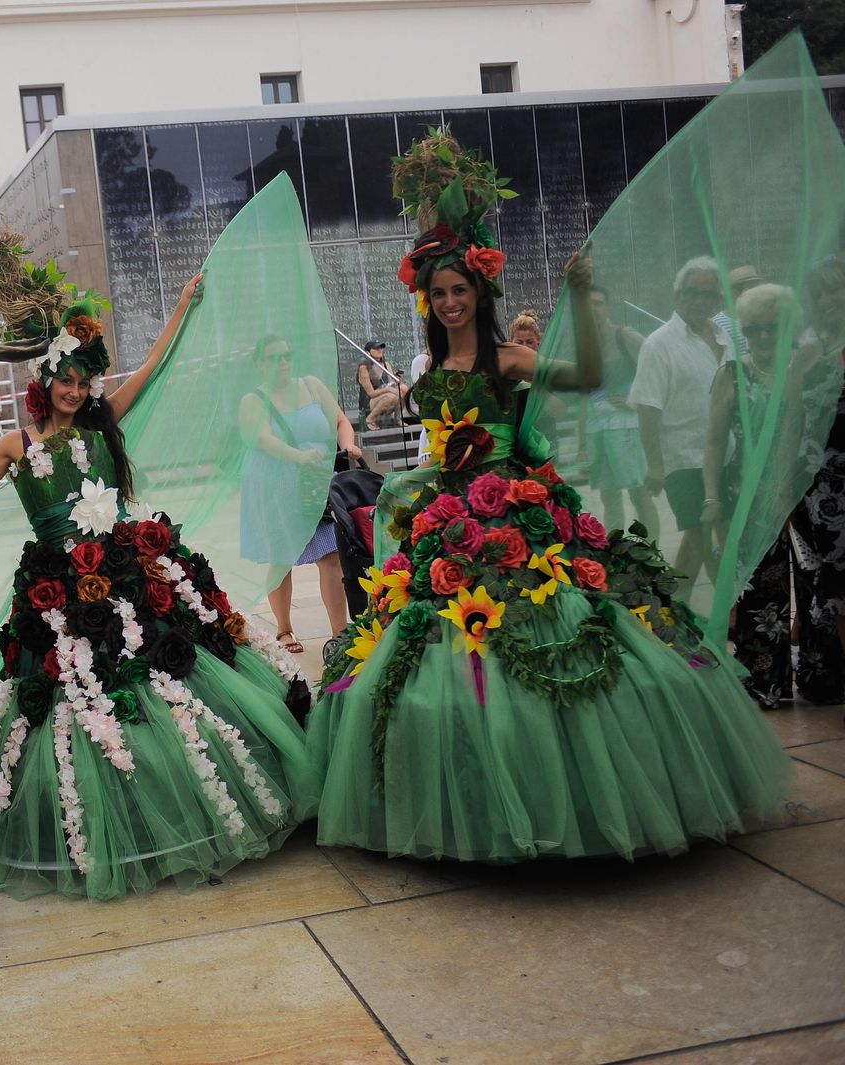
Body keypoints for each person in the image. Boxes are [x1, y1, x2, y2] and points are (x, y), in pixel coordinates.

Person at [309, 129, 791, 863]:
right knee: (434, 654)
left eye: (459, 291)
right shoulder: (431, 379)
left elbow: (593, 374)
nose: (448, 303)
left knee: (560, 628)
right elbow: (430, 437)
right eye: (437, 294)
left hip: (523, 518)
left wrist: (583, 298)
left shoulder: (510, 357)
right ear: (425, 300)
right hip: (449, 523)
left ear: (480, 292)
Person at [0, 271, 316, 900]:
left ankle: (197, 800)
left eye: (85, 383)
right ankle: (107, 819)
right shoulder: (15, 445)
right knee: (77, 705)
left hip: (123, 569)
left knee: (171, 677)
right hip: (59, 588)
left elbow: (150, 369)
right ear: (46, 381)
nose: (76, 391)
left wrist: (178, 309)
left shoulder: (100, 428)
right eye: (67, 380)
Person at [703, 284, 813, 708]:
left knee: (814, 587)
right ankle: (766, 684)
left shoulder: (807, 371)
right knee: (756, 588)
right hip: (745, 492)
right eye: (754, 330)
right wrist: (712, 497)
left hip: (806, 490)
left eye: (773, 329)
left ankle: (822, 677)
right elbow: (713, 444)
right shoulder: (731, 374)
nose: (764, 338)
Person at [239, 334, 361, 651]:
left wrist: (348, 444)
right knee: (281, 557)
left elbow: (339, 420)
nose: (282, 363)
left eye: (287, 356)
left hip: (317, 482)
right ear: (259, 364)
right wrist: (298, 457)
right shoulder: (253, 399)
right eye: (274, 358)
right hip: (275, 486)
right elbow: (262, 439)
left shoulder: (311, 385)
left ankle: (339, 632)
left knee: (331, 554)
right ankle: (283, 628)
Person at [630, 257, 735, 587]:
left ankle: (675, 610)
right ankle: (728, 612)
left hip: (728, 454)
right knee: (705, 538)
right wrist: (655, 465)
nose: (700, 301)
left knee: (703, 540)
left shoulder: (725, 336)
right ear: (677, 296)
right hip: (684, 459)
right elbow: (648, 409)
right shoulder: (658, 344)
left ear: (718, 299)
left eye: (709, 295)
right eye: (692, 293)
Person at [794, 254, 845, 705]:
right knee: (838, 587)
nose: (829, 298)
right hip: (825, 491)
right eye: (821, 292)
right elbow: (791, 422)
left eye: (836, 287)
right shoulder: (808, 353)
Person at [579, 285, 658, 535]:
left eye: (599, 303)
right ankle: (617, 557)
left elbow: (657, 367)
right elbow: (583, 397)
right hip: (598, 432)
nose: (594, 309)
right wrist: (582, 443)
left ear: (608, 307)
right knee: (609, 497)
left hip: (627, 430)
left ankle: (652, 553)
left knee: (640, 494)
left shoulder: (624, 336)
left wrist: (634, 399)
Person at [357, 340, 406, 429]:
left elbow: (391, 384)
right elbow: (371, 393)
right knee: (392, 396)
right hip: (369, 402)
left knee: (404, 388)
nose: (379, 350)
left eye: (380, 348)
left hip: (386, 398)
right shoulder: (364, 368)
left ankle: (398, 418)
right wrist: (388, 389)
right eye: (376, 348)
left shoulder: (386, 364)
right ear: (368, 352)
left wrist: (398, 380)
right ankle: (369, 420)